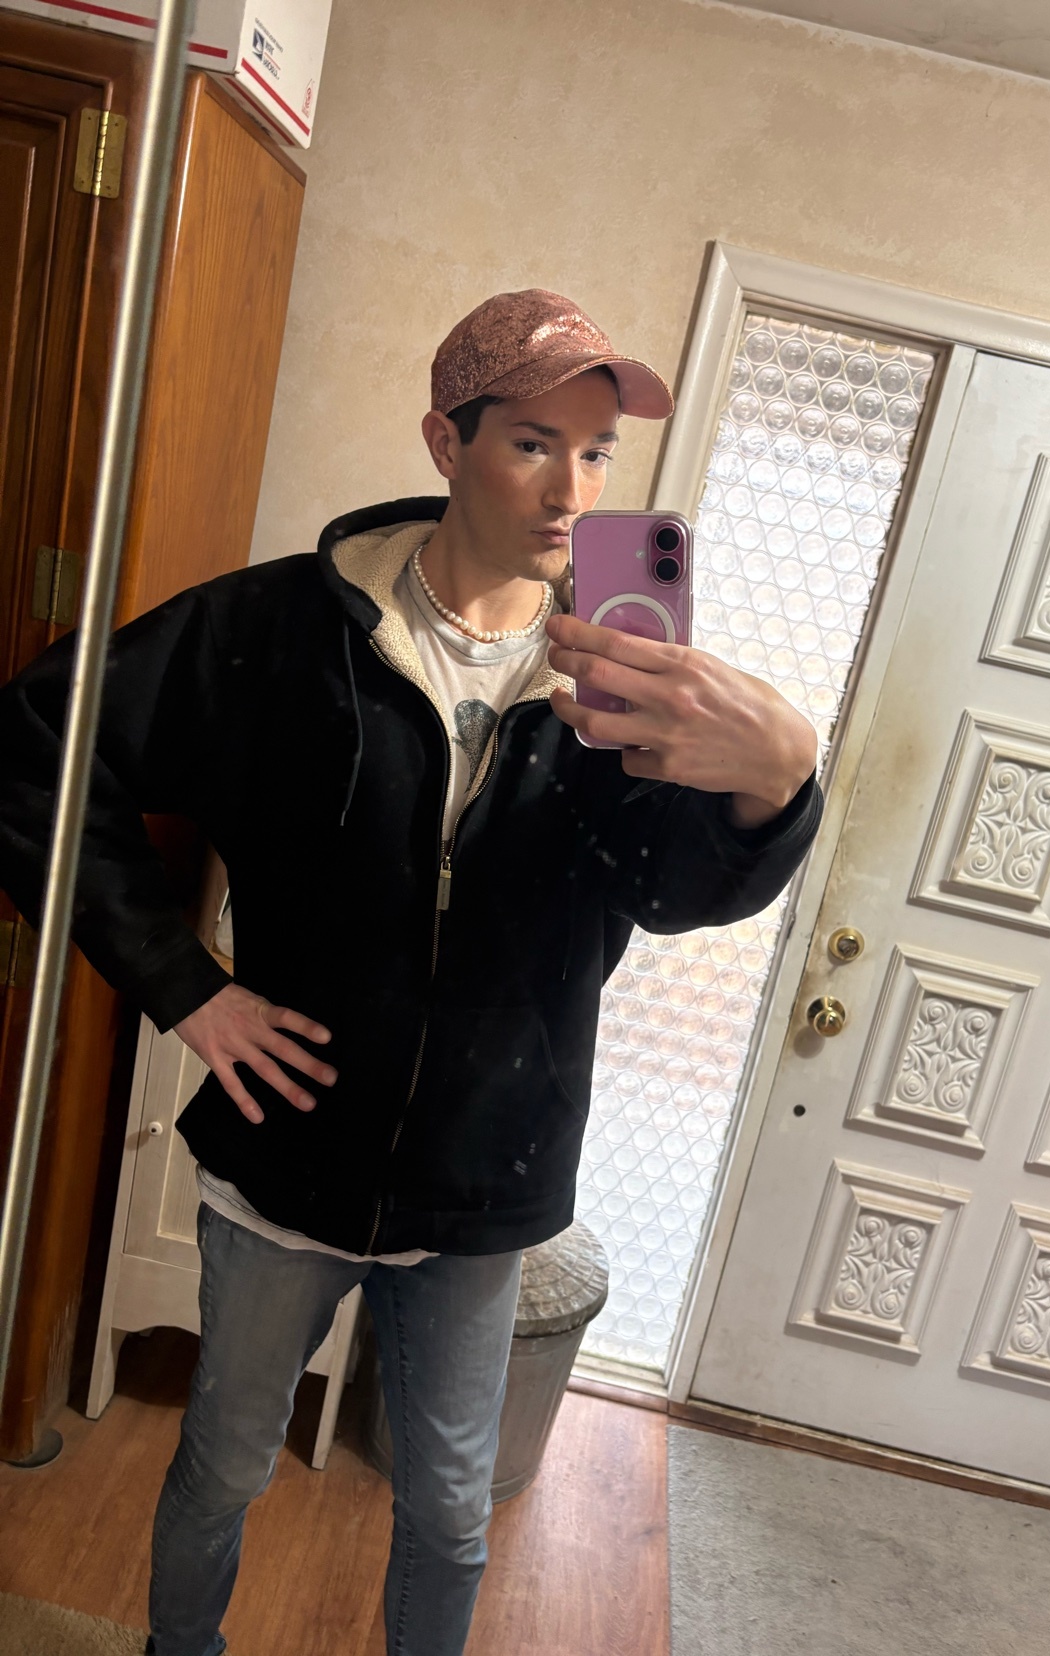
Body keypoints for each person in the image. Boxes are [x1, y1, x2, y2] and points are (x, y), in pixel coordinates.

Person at [0, 288, 822, 1656]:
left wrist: (774, 790)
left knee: (449, 1516)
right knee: (223, 1468)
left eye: (598, 452)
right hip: (287, 1156)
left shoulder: (616, 676)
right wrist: (184, 986)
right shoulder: (278, 632)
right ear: (447, 442)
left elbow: (674, 893)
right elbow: (41, 745)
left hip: (483, 1183)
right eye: (533, 444)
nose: (573, 489)